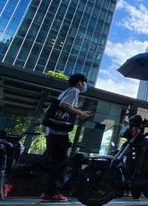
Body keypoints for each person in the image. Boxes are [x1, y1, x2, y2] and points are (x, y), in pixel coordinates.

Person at [40, 74, 92, 202]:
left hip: (53, 131)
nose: (85, 85)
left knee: (57, 162)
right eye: (85, 83)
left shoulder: (66, 91)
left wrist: (77, 111)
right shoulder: (74, 91)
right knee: (60, 162)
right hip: (58, 133)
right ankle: (52, 193)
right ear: (80, 82)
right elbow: (64, 105)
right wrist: (80, 113)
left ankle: (49, 192)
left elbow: (61, 106)